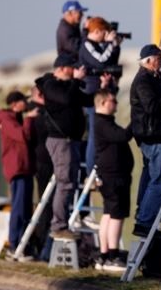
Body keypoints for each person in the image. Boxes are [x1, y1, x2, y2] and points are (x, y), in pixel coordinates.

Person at [37, 54, 109, 240]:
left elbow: (86, 100)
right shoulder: (50, 85)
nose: (77, 71)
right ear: (61, 68)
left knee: (71, 182)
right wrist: (76, 80)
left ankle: (64, 222)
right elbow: (67, 99)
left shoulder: (68, 86)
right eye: (72, 68)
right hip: (61, 141)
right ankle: (58, 225)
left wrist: (103, 86)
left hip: (72, 141)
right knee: (65, 183)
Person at [130, 44, 161, 237]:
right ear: (149, 60)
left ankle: (147, 217)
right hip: (154, 137)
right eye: (158, 58)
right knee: (160, 180)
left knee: (155, 178)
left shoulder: (154, 78)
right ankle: (145, 221)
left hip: (159, 135)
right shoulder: (144, 80)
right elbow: (152, 106)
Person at [0, 91, 37, 260]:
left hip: (25, 168)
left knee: (25, 209)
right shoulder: (8, 120)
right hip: (17, 169)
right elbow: (22, 136)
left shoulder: (15, 118)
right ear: (15, 103)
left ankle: (23, 245)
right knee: (18, 208)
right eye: (23, 101)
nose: (26, 103)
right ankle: (14, 244)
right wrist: (29, 118)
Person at [93, 89, 133, 272]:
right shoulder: (102, 123)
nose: (115, 104)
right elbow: (122, 136)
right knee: (117, 214)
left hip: (112, 174)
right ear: (102, 103)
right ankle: (113, 255)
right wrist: (136, 121)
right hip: (114, 176)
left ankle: (103, 255)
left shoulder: (104, 122)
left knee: (109, 214)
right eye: (113, 101)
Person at [78, 16, 120, 174]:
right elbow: (102, 61)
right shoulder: (87, 45)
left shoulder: (96, 45)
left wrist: (115, 46)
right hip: (93, 96)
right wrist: (110, 43)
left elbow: (110, 62)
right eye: (104, 33)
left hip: (100, 92)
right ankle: (91, 173)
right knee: (95, 136)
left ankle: (95, 170)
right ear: (96, 31)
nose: (106, 36)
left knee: (99, 135)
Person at [27, 85, 54, 260]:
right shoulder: (36, 113)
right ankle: (43, 244)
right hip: (42, 161)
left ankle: (43, 242)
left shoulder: (39, 111)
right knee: (46, 204)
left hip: (44, 160)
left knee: (47, 204)